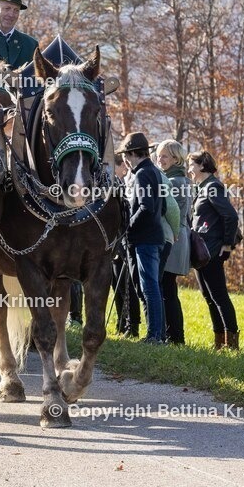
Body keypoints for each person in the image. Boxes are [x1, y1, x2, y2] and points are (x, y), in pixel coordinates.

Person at [187, 150, 240, 351]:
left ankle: (232, 345)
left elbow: (231, 217)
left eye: (191, 165)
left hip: (212, 251)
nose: (189, 169)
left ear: (202, 166)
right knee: (209, 298)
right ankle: (219, 344)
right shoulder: (202, 188)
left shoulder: (212, 187)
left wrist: (226, 245)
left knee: (219, 297)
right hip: (202, 251)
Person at [118, 131, 165, 344]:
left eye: (126, 155)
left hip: (144, 238)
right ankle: (156, 333)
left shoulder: (143, 174)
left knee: (149, 287)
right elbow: (161, 208)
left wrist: (127, 227)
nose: (125, 160)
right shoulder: (153, 171)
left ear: (133, 153)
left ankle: (155, 334)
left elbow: (147, 207)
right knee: (145, 286)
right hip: (149, 236)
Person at [155, 139, 190, 345]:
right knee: (169, 289)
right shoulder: (179, 179)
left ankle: (175, 336)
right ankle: (174, 335)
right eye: (159, 156)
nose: (160, 160)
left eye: (165, 156)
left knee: (167, 288)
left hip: (174, 239)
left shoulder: (175, 182)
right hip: (178, 237)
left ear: (176, 159)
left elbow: (171, 212)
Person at [112, 153, 141, 338]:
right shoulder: (113, 182)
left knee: (127, 286)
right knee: (117, 286)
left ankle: (132, 325)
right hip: (113, 242)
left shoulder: (122, 182)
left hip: (123, 239)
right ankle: (121, 323)